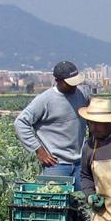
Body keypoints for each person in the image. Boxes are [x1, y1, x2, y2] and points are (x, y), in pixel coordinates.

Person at [14, 60, 92, 190]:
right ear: (58, 80)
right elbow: (20, 123)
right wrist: (38, 150)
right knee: (56, 204)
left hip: (80, 162)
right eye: (70, 83)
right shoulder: (45, 100)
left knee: (83, 205)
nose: (74, 86)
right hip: (56, 164)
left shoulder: (82, 93)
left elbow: (92, 115)